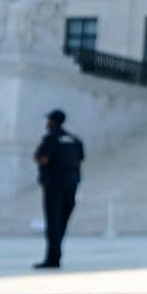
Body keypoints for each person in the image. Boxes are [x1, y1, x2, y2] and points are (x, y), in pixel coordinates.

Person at [32, 108, 85, 269]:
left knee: (53, 222)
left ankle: (52, 258)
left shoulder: (50, 139)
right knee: (62, 222)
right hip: (71, 184)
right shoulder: (74, 140)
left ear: (52, 122)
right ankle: (56, 254)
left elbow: (42, 158)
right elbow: (80, 160)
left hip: (54, 184)